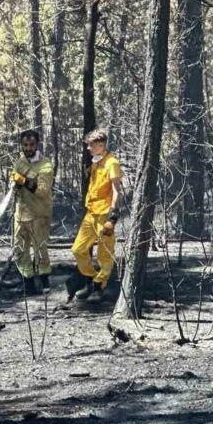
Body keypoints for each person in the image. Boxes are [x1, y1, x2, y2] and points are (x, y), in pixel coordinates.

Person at [69, 128, 125, 303]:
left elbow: (117, 190)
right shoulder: (95, 162)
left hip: (104, 215)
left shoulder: (112, 163)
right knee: (78, 249)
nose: (88, 149)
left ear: (101, 145)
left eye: (91, 146)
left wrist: (113, 216)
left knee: (104, 254)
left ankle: (100, 285)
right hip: (91, 213)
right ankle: (92, 279)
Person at [10, 129, 54, 295]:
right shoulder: (20, 161)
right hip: (21, 213)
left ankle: (44, 281)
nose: (28, 148)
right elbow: (16, 179)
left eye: (31, 145)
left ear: (37, 145)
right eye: (25, 145)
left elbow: (42, 191)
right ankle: (27, 282)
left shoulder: (45, 165)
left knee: (39, 247)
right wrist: (14, 181)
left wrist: (25, 181)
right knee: (19, 247)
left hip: (39, 213)